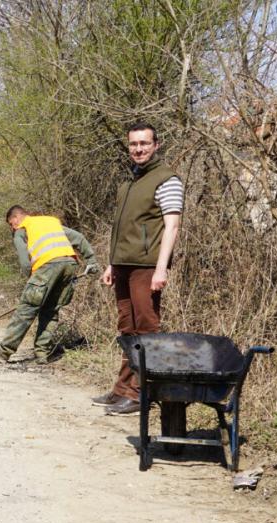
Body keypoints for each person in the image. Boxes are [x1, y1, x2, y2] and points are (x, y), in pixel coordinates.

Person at [94, 122, 183, 416]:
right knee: (127, 328)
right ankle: (121, 389)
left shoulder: (166, 179)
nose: (138, 149)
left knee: (146, 329)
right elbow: (124, 230)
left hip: (146, 267)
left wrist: (161, 269)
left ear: (156, 145)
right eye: (133, 144)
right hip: (123, 265)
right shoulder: (128, 182)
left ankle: (138, 393)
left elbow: (172, 226)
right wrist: (111, 263)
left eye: (144, 143)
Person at [0, 206, 98, 365]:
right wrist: (91, 261)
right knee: (51, 310)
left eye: (11, 224)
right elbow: (79, 237)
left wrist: (31, 278)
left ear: (16, 218)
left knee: (27, 308)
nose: (12, 228)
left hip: (48, 266)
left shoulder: (21, 229)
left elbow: (24, 261)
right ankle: (41, 354)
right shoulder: (50, 222)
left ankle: (4, 351)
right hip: (69, 265)